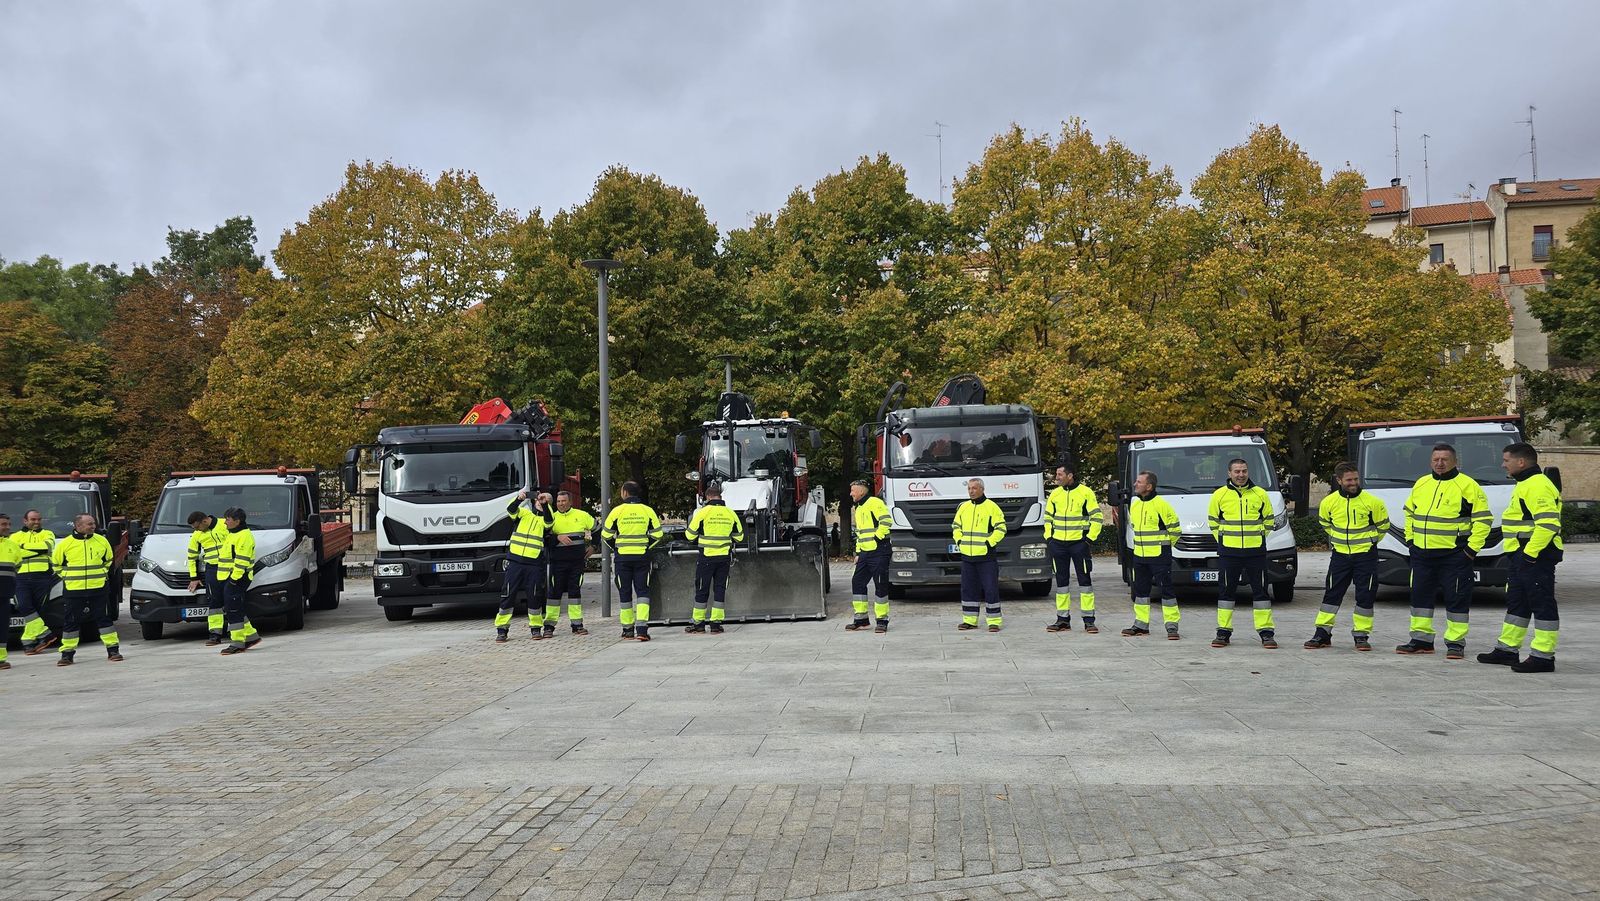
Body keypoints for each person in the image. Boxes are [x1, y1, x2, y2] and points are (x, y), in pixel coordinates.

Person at [1397, 443, 1491, 659]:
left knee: (1457, 597)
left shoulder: (1468, 486)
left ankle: (1455, 643)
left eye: (1444, 459)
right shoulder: (1421, 483)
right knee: (1420, 597)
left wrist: (1470, 550)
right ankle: (1421, 640)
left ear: (1455, 462)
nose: (1440, 463)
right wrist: (1410, 542)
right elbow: (1409, 514)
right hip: (1421, 554)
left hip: (1454, 555)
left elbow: (1484, 520)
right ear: (1431, 461)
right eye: (1436, 459)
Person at [1479, 443, 1563, 673]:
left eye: (1506, 460)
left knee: (1542, 603)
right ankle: (1507, 650)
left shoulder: (1537, 485)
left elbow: (1548, 524)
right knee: (1518, 602)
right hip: (1523, 555)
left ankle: (1543, 656)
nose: (1502, 464)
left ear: (1521, 462)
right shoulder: (1526, 483)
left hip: (1535, 556)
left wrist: (1529, 555)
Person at [1305, 463, 1389, 651]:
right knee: (1332, 593)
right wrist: (1339, 541)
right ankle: (1322, 633)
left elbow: (1383, 526)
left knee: (1365, 595)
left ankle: (1361, 635)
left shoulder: (1373, 502)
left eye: (1356, 479)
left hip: (1366, 556)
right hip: (1340, 556)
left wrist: (1369, 542)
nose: (1353, 483)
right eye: (1349, 480)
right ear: (1339, 480)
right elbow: (1325, 523)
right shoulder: (1329, 502)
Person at [1207, 458, 1278, 649]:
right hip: (1229, 553)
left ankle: (1266, 633)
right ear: (1229, 473)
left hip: (1256, 552)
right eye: (1237, 471)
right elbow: (1213, 521)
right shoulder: (1219, 495)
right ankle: (1223, 632)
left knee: (1261, 592)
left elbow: (1269, 520)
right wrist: (1224, 540)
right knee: (1226, 592)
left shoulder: (1260, 493)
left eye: (1244, 471)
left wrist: (1258, 538)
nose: (1241, 475)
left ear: (1248, 472)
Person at [50, 513, 120, 666]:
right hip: (74, 590)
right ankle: (67, 654)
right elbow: (56, 564)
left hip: (98, 588)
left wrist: (101, 574)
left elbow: (109, 560)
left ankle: (113, 650)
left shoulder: (102, 541)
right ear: (78, 526)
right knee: (71, 622)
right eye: (90, 524)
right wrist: (67, 577)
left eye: (93, 523)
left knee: (104, 619)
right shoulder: (65, 544)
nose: (93, 526)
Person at [1044, 463, 1104, 633]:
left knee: (1085, 583)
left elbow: (1097, 518)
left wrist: (1089, 540)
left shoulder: (1086, 492)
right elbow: (1047, 518)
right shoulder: (1055, 494)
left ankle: (1089, 621)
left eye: (1059, 474)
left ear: (1070, 476)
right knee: (1061, 584)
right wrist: (1049, 538)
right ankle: (1062, 620)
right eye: (1056, 474)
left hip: (1079, 544)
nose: (1056, 477)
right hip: (1058, 545)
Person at [1122, 471, 1182, 638]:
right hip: (1140, 557)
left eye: (1139, 482)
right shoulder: (1135, 504)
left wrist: (1165, 547)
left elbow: (1175, 530)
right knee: (1140, 592)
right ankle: (1141, 625)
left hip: (1159, 556)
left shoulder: (1161, 504)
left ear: (1149, 486)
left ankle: (1172, 626)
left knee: (1166, 591)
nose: (1135, 484)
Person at [601, 481, 664, 641]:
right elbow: (658, 535)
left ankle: (627, 630)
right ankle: (642, 630)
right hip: (642, 557)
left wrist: (617, 548)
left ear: (625, 493)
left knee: (625, 592)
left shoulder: (617, 511)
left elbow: (606, 535)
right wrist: (646, 547)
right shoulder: (647, 510)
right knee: (643, 592)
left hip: (622, 558)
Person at [683, 481, 744, 634]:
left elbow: (689, 536)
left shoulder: (702, 513)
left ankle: (698, 624)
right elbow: (739, 537)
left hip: (706, 558)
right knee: (720, 589)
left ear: (708, 497)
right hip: (724, 558)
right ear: (720, 497)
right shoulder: (731, 513)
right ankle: (716, 624)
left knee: (702, 590)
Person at [495, 489, 554, 642]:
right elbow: (510, 510)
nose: (541, 501)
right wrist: (518, 499)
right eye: (539, 499)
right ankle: (502, 629)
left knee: (534, 595)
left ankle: (536, 628)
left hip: (534, 564)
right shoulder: (524, 513)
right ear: (534, 501)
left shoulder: (548, 517)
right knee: (508, 594)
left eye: (545, 500)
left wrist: (545, 505)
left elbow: (549, 522)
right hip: (515, 561)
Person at [953, 478, 1007, 632]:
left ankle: (994, 621)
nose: (971, 491)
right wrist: (959, 541)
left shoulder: (992, 507)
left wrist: (989, 543)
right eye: (969, 488)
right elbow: (956, 526)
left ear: (982, 489)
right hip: (967, 557)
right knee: (968, 589)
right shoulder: (963, 507)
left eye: (974, 488)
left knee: (990, 589)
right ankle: (969, 620)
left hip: (986, 557)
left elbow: (1001, 528)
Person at [544, 491, 596, 638]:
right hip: (557, 563)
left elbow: (598, 529)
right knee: (554, 594)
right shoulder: (551, 518)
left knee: (575, 593)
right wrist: (557, 537)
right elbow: (544, 537)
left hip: (576, 563)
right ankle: (549, 626)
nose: (561, 504)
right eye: (558, 501)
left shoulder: (582, 515)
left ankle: (577, 625)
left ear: (570, 502)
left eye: (564, 501)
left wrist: (594, 546)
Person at [846, 479, 891, 633]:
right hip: (865, 553)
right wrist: (858, 553)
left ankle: (882, 621)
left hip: (879, 551)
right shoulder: (859, 508)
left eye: (853, 490)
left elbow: (886, 522)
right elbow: (860, 534)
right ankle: (861, 619)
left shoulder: (875, 502)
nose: (851, 493)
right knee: (857, 582)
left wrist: (877, 539)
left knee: (880, 585)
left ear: (861, 491)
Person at [217, 507, 263, 656]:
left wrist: (233, 579)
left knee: (233, 610)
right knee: (234, 607)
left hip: (237, 578)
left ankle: (237, 642)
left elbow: (241, 561)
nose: (225, 522)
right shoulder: (233, 533)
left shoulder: (244, 536)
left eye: (228, 519)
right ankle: (251, 636)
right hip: (230, 577)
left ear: (237, 521)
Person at [185, 510, 231, 646]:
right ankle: (215, 635)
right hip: (212, 569)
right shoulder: (197, 535)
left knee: (232, 599)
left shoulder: (224, 524)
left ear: (204, 521)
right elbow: (192, 556)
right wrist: (194, 577)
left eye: (197, 527)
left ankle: (235, 632)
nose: (196, 530)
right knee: (214, 602)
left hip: (230, 567)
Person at [15, 509, 58, 654]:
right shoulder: (15, 536)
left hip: (42, 576)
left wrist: (23, 547)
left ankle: (29, 643)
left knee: (38, 610)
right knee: (24, 606)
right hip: (21, 577)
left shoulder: (48, 533)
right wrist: (37, 550)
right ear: (25, 521)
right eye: (33, 519)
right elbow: (15, 553)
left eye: (39, 519)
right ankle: (46, 634)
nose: (37, 522)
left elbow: (47, 547)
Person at [0, 514, 19, 670]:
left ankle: (1, 659)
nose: (7, 527)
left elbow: (17, 566)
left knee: (2, 627)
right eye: (3, 524)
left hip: (5, 594)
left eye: (8, 524)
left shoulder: (12, 545)